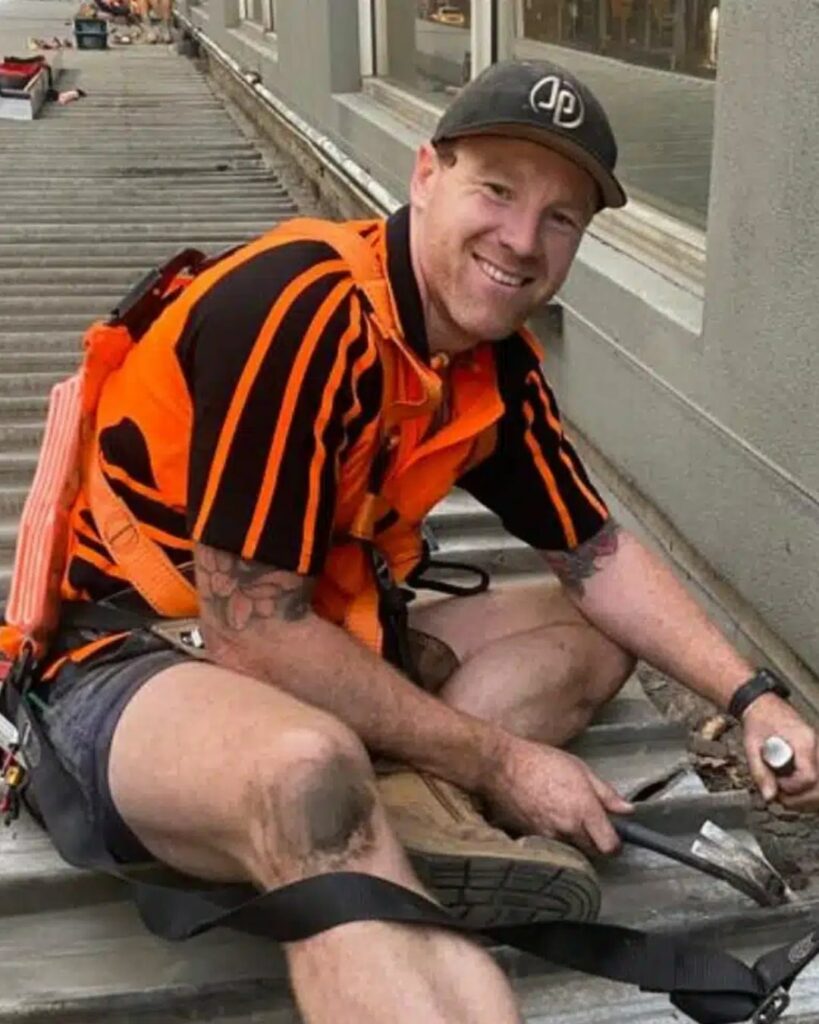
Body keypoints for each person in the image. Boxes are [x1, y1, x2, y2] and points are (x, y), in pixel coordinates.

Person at [28, 59, 819, 1024]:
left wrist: (751, 697)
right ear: (423, 177)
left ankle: (400, 802)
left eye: (561, 217)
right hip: (134, 662)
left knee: (603, 633)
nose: (522, 240)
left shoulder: (489, 369)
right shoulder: (300, 306)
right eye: (496, 188)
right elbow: (255, 635)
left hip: (326, 636)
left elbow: (595, 554)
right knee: (306, 774)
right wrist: (501, 762)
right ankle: (367, 812)